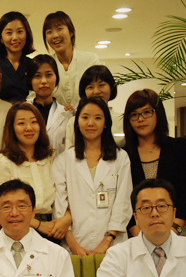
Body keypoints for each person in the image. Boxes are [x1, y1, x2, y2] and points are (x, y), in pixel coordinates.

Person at [52, 97, 133, 257]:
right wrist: (73, 245)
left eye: (97, 118)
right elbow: (60, 206)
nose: (91, 123)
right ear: (77, 122)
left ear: (105, 123)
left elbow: (123, 202)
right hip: (74, 245)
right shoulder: (63, 160)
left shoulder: (120, 157)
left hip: (113, 245)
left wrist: (106, 241)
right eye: (85, 117)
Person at [0, 102, 71, 243]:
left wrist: (66, 218)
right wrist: (39, 225)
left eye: (34, 122)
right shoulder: (3, 161)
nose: (29, 128)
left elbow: (64, 193)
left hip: (53, 227)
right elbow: (2, 204)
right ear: (12, 129)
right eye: (21, 123)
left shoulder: (51, 157)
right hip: (19, 228)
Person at [123, 89, 186, 239]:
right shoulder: (124, 154)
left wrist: (173, 231)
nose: (140, 119)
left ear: (158, 114)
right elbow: (123, 199)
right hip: (139, 234)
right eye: (134, 115)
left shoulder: (178, 147)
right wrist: (139, 235)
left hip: (178, 231)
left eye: (146, 112)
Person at [43, 11, 102, 110]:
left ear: (71, 32)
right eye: (49, 32)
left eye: (59, 29)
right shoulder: (45, 65)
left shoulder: (91, 60)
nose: (55, 35)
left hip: (87, 117)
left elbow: (99, 93)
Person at [65, 64, 122, 149]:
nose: (96, 91)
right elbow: (68, 152)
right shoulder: (73, 122)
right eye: (90, 87)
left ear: (111, 87)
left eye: (101, 85)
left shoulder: (122, 120)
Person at [26, 54, 73, 154]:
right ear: (30, 80)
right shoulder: (22, 112)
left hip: (60, 163)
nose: (43, 81)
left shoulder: (67, 114)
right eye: (37, 76)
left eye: (49, 75)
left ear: (56, 78)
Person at [0, 12, 35, 103]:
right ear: (1, 38)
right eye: (9, 33)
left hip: (28, 111)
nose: (15, 37)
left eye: (20, 32)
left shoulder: (33, 65)